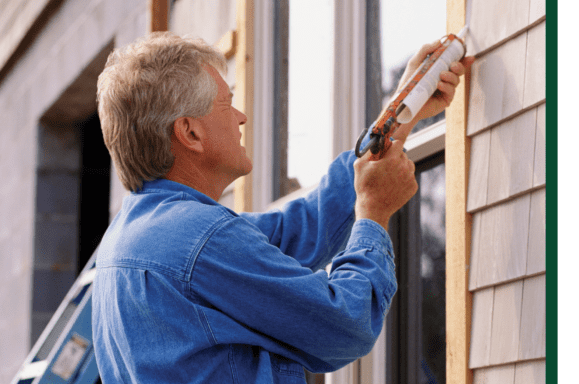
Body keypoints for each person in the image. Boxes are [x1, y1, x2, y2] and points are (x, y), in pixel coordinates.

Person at [91, 31, 471, 383]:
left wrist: (397, 115)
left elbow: (300, 230)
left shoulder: (135, 238)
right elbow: (343, 325)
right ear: (190, 133)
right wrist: (374, 215)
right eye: (227, 104)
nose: (241, 118)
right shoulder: (199, 241)